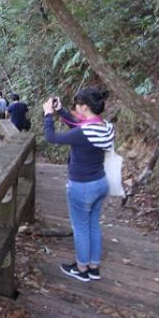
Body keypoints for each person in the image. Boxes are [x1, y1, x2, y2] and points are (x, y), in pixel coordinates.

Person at [42, 87, 114, 282]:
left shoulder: (83, 133)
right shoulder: (105, 126)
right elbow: (78, 124)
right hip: (100, 183)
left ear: (83, 107)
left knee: (80, 228)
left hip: (82, 187)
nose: (75, 109)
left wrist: (48, 115)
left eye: (76, 106)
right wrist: (61, 110)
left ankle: (81, 269)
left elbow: (51, 137)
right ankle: (93, 268)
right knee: (93, 226)